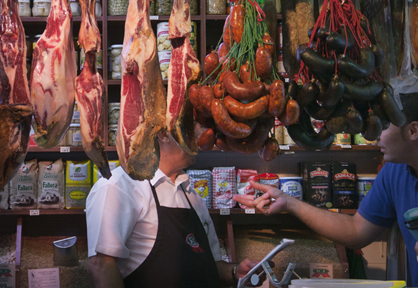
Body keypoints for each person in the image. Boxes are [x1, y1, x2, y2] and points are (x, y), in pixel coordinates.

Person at [234, 92, 418, 286]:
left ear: (413, 131)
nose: (374, 134)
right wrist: (288, 202)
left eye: (384, 125)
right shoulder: (395, 171)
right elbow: (356, 230)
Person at [86, 129, 263, 288]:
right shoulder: (118, 186)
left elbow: (211, 266)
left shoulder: (191, 193)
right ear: (163, 134)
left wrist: (235, 272)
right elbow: (102, 265)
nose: (202, 138)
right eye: (193, 128)